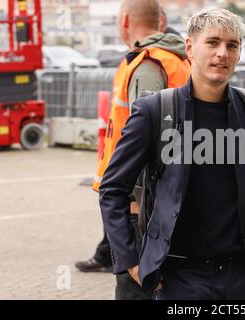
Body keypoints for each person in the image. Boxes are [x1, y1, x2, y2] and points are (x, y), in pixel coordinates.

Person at [99, 8, 245, 300]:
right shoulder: (154, 111)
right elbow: (112, 188)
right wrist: (130, 261)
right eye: (213, 42)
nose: (222, 53)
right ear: (190, 47)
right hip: (178, 275)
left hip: (240, 274)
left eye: (232, 45)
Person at [75, 0, 190, 300]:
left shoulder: (148, 65)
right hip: (156, 202)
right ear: (160, 22)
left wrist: (139, 204)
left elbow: (149, 141)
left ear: (124, 20)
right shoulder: (174, 60)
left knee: (135, 293)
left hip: (139, 209)